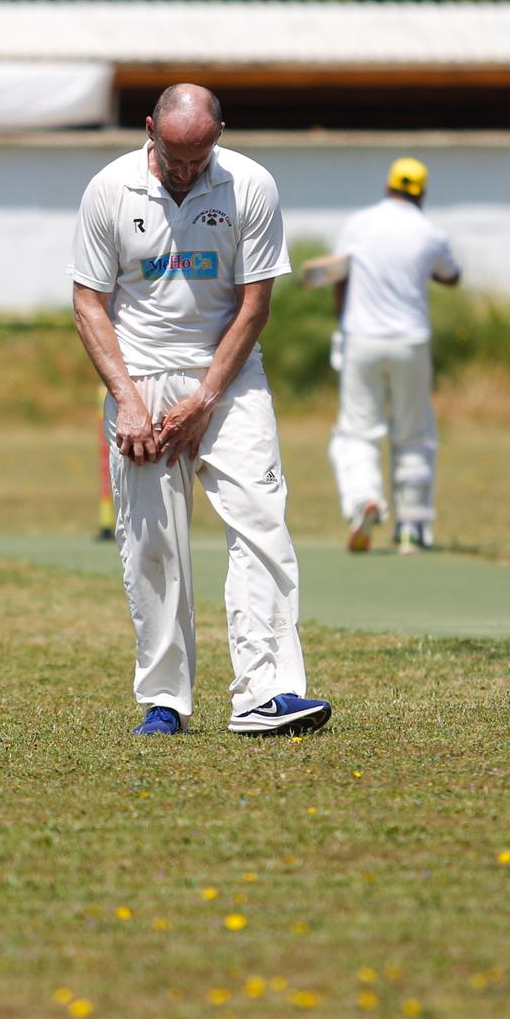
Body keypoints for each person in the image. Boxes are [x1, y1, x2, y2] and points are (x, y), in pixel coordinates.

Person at [71, 83, 330, 736]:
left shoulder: (251, 185)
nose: (187, 172)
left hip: (230, 374)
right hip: (142, 376)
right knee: (152, 542)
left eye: (200, 159)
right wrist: (128, 401)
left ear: (219, 135)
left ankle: (266, 692)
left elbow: (254, 303)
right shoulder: (109, 189)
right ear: (150, 127)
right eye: (175, 156)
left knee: (260, 518)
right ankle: (164, 699)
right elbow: (88, 303)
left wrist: (206, 397)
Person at [327, 156, 462, 554]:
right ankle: (412, 527)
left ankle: (363, 500)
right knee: (413, 432)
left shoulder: (359, 223)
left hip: (362, 338)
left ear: (389, 186)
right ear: (421, 193)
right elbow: (452, 276)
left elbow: (337, 274)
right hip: (410, 342)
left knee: (357, 430)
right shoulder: (430, 233)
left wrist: (343, 318)